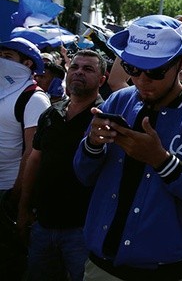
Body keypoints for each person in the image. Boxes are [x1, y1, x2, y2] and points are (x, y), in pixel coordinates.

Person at [73, 15, 182, 280]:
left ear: (181, 62)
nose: (143, 80)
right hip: (102, 267)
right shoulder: (118, 101)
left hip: (168, 272)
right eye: (133, 68)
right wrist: (91, 145)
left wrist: (162, 161)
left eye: (156, 71)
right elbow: (82, 173)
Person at [17, 49, 106, 281]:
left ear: (102, 80)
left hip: (83, 231)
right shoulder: (50, 114)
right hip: (43, 225)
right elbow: (34, 160)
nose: (78, 72)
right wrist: (24, 208)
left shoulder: (105, 119)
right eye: (74, 67)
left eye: (88, 69)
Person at [0, 37, 50, 201]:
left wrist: (17, 195)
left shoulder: (35, 99)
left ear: (27, 64)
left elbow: (32, 152)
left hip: (7, 189)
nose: (2, 61)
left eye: (7, 57)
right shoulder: (4, 92)